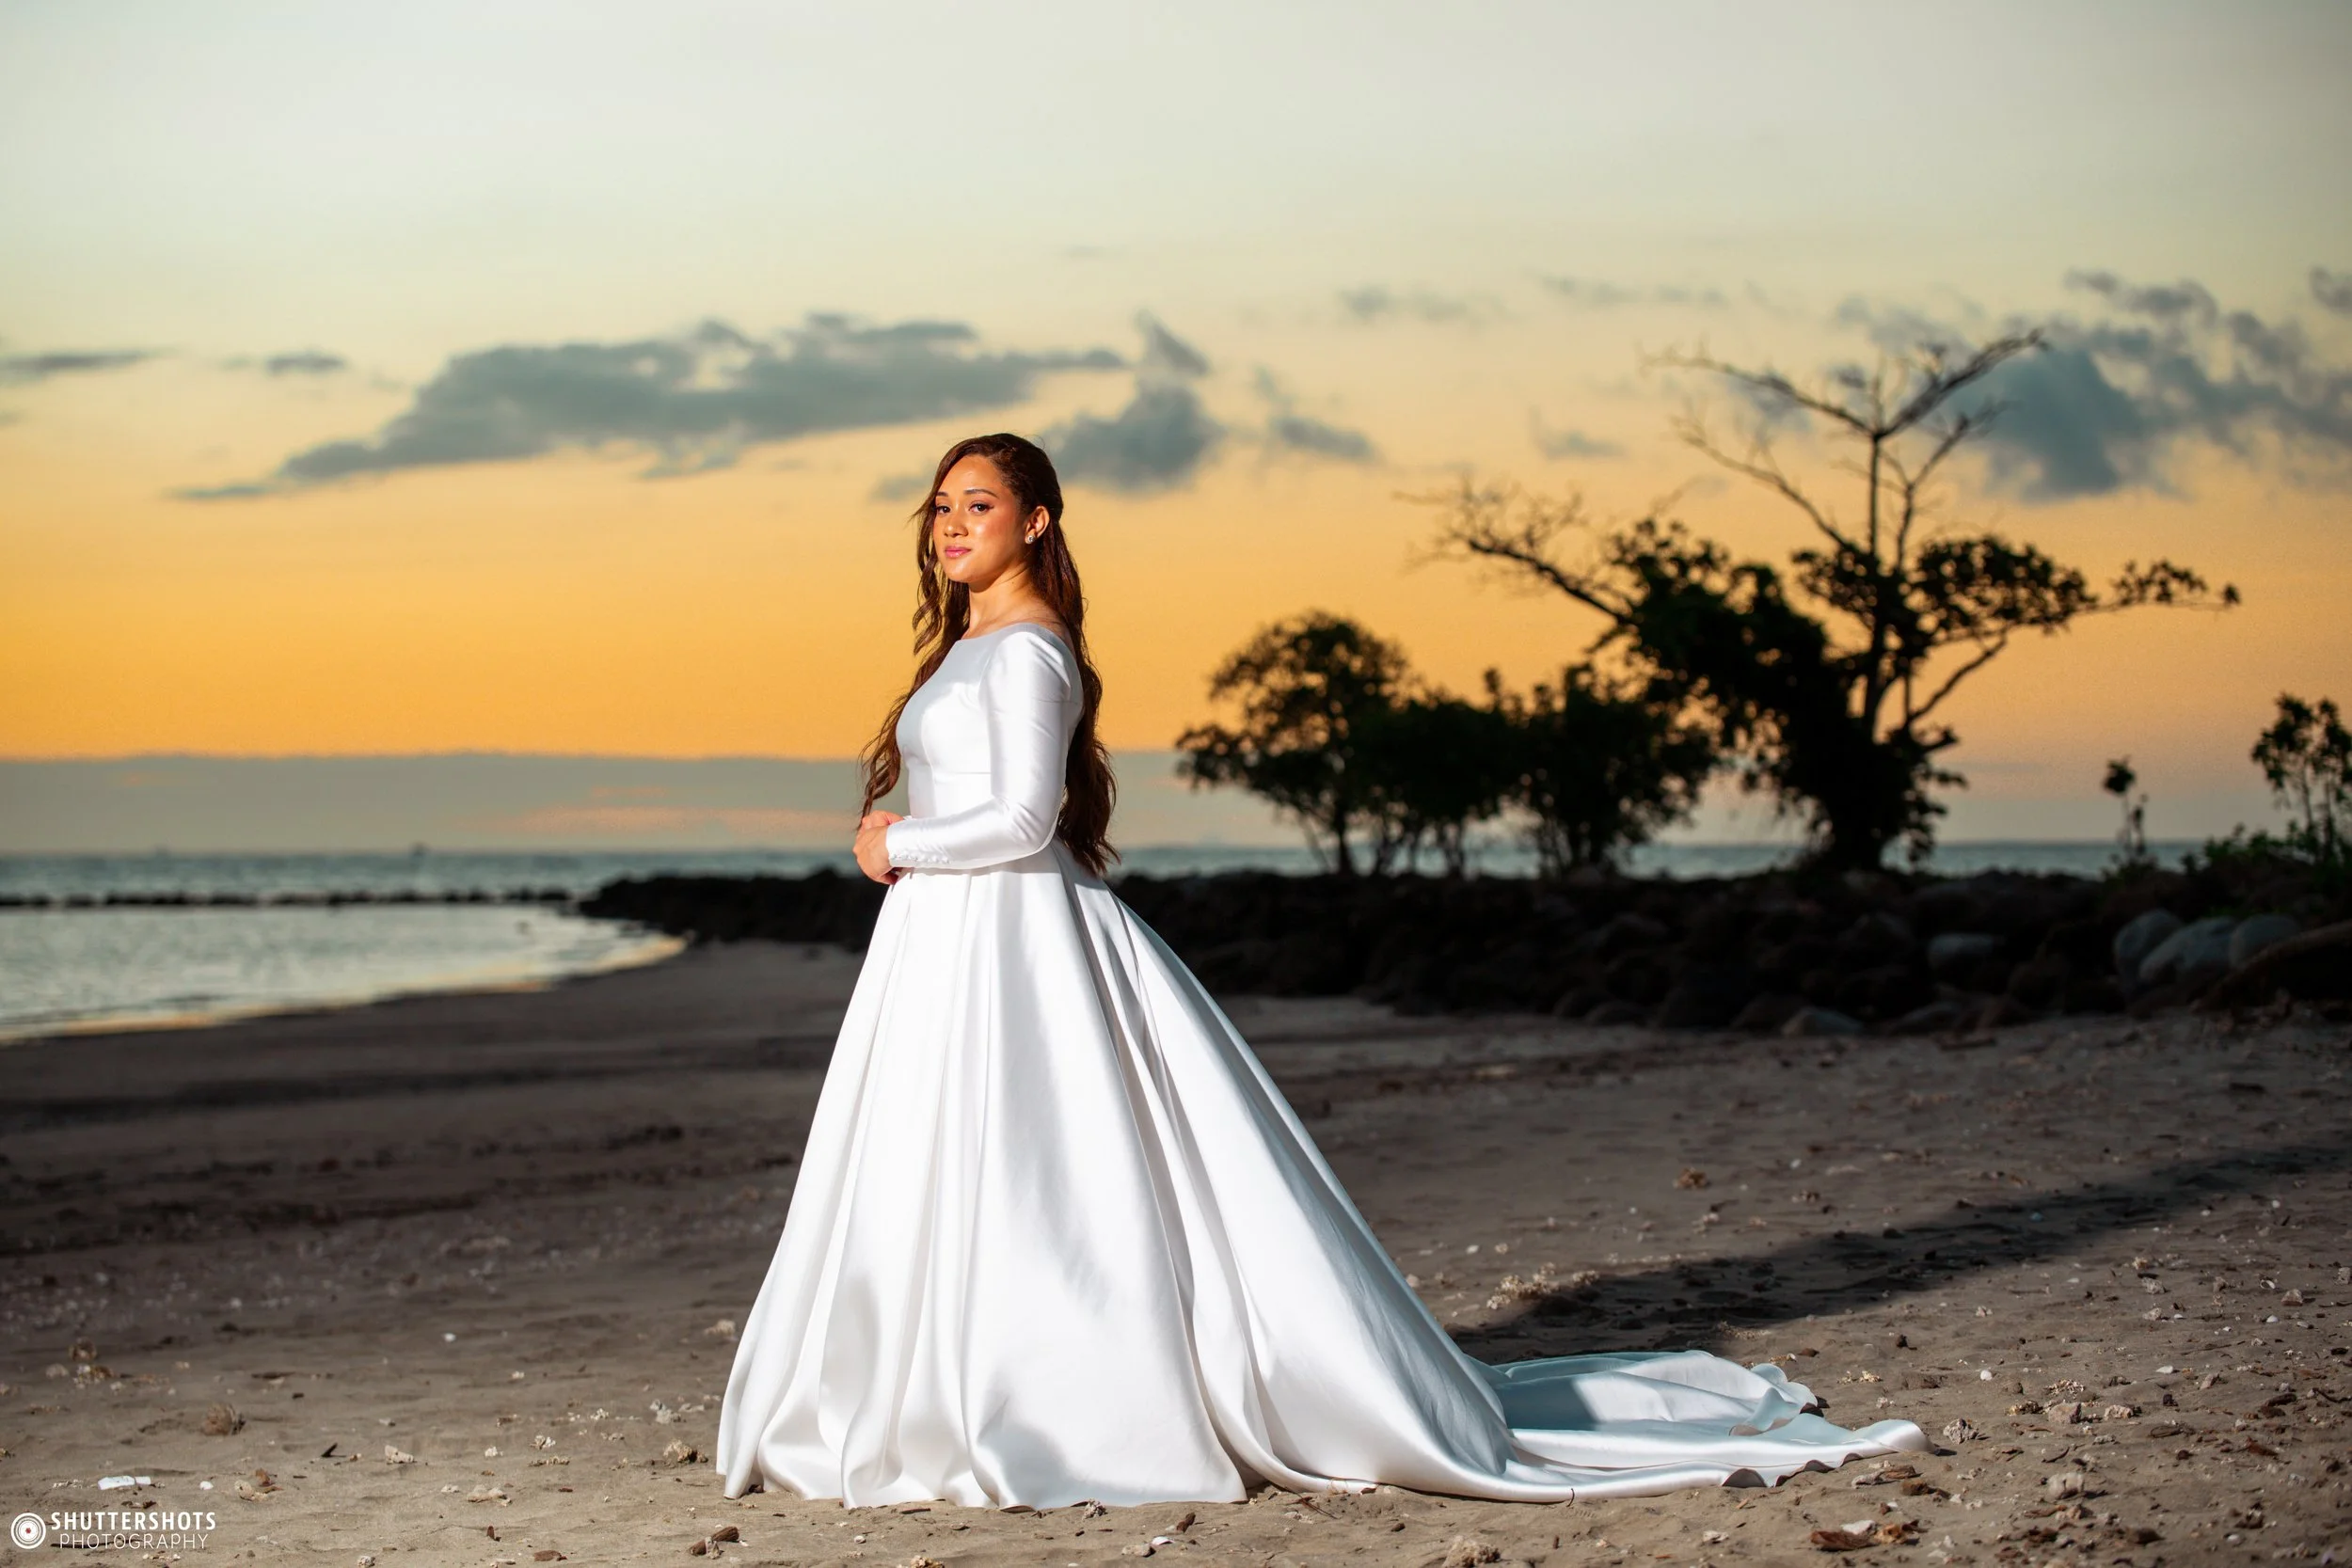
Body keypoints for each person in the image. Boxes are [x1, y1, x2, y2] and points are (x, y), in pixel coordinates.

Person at [713, 432, 1926, 1509]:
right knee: (951, 1169)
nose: (951, 525)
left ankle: (1044, 1396)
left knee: (1038, 1168)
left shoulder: (1030, 654)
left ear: (1035, 521)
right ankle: (954, 1376)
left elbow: (1028, 820)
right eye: (938, 507)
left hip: (1011, 940)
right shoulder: (969, 649)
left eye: (976, 504)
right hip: (944, 950)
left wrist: (897, 843)